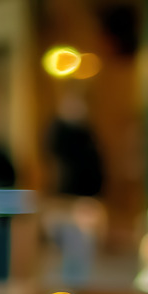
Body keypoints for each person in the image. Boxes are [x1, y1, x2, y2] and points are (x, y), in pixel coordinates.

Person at [45, 89, 106, 282]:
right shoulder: (58, 132)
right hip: (63, 198)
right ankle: (65, 285)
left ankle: (80, 283)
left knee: (83, 248)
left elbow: (96, 167)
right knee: (63, 247)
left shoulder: (88, 133)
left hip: (85, 197)